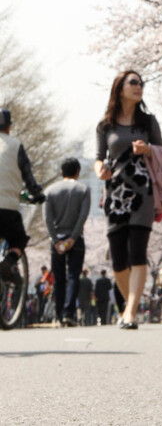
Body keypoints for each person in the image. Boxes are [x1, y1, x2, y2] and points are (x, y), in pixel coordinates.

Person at [94, 69, 162, 329]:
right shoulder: (105, 125)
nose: (139, 87)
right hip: (114, 194)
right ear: (120, 88)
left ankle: (131, 313)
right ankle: (130, 305)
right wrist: (99, 170)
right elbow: (99, 157)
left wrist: (146, 149)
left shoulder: (148, 122)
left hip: (142, 193)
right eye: (133, 82)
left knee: (137, 252)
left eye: (141, 83)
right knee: (118, 260)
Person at [43, 156, 91, 327]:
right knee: (73, 276)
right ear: (77, 172)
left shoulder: (50, 191)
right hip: (76, 239)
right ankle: (68, 313)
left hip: (56, 240)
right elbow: (83, 216)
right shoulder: (83, 189)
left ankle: (58, 314)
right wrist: (73, 237)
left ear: (61, 172)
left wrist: (56, 240)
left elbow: (47, 219)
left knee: (59, 278)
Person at [0, 108, 44, 285]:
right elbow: (28, 177)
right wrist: (37, 194)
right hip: (6, 210)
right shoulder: (15, 146)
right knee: (19, 238)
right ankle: (9, 261)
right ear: (9, 127)